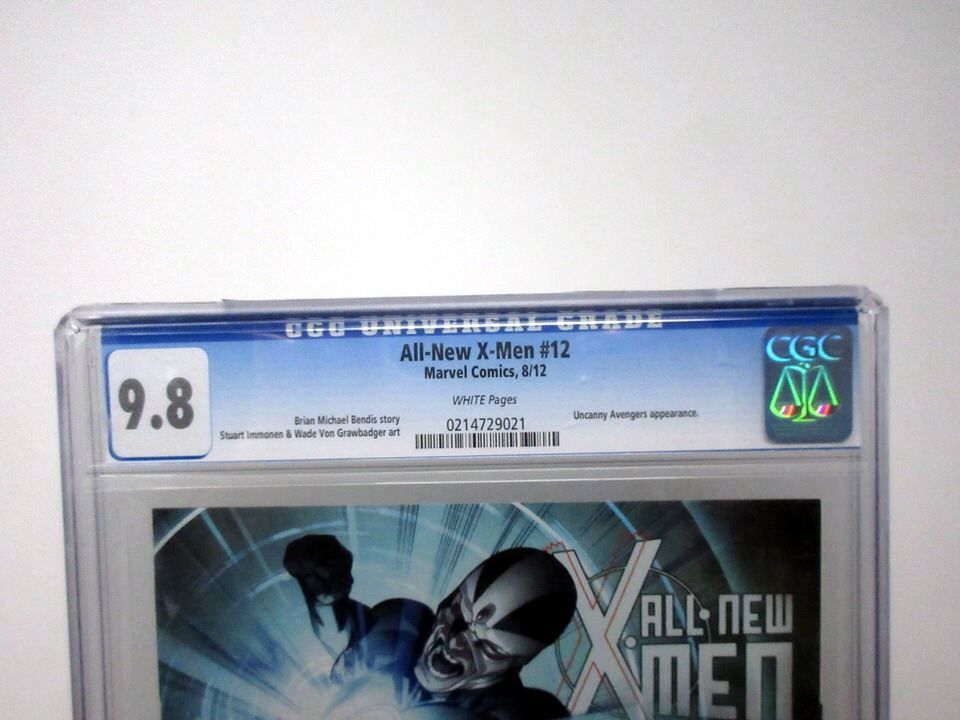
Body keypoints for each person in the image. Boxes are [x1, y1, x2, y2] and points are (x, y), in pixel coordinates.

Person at [284, 537, 576, 719]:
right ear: (448, 600)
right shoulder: (401, 625)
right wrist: (324, 596)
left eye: (487, 648)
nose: (455, 643)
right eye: (458, 615)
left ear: (517, 663)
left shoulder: (507, 711)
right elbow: (341, 632)